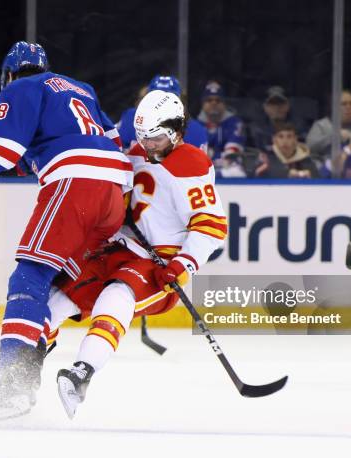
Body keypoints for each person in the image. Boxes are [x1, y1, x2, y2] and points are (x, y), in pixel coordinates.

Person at [0, 41, 133, 423]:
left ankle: (12, 378)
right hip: (113, 193)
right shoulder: (80, 89)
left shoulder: (18, 89)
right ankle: (28, 368)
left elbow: (0, 155)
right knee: (57, 287)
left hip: (75, 181)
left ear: (9, 74)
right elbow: (113, 143)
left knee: (30, 275)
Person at [47, 90, 227, 418]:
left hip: (159, 262)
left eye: (155, 138)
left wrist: (182, 265)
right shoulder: (136, 150)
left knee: (117, 295)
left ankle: (81, 375)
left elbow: (211, 227)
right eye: (143, 137)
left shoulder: (193, 163)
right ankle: (22, 365)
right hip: (119, 249)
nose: (148, 145)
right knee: (58, 297)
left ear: (175, 132)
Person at [116, 75, 208, 152]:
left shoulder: (196, 130)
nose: (162, 103)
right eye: (157, 97)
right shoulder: (131, 117)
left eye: (168, 98)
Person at [197, 80, 247, 177]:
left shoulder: (235, 123)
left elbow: (231, 155)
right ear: (203, 104)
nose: (214, 103)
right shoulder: (196, 126)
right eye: (209, 100)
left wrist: (211, 156)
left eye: (218, 100)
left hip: (228, 169)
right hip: (202, 170)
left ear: (224, 104)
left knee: (237, 172)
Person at [248, 86, 309, 152]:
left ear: (287, 106)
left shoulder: (299, 127)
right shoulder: (255, 128)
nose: (277, 108)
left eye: (281, 103)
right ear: (265, 107)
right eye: (272, 104)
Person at [306, 90, 351, 162]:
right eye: (344, 104)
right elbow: (309, 147)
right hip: (326, 168)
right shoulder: (322, 125)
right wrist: (335, 136)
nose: (348, 107)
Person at [254, 122, 319, 179]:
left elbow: (319, 180)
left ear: (295, 139)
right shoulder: (266, 158)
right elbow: (252, 177)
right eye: (280, 137)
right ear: (274, 139)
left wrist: (310, 177)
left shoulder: (306, 160)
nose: (285, 141)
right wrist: (286, 174)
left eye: (289, 136)